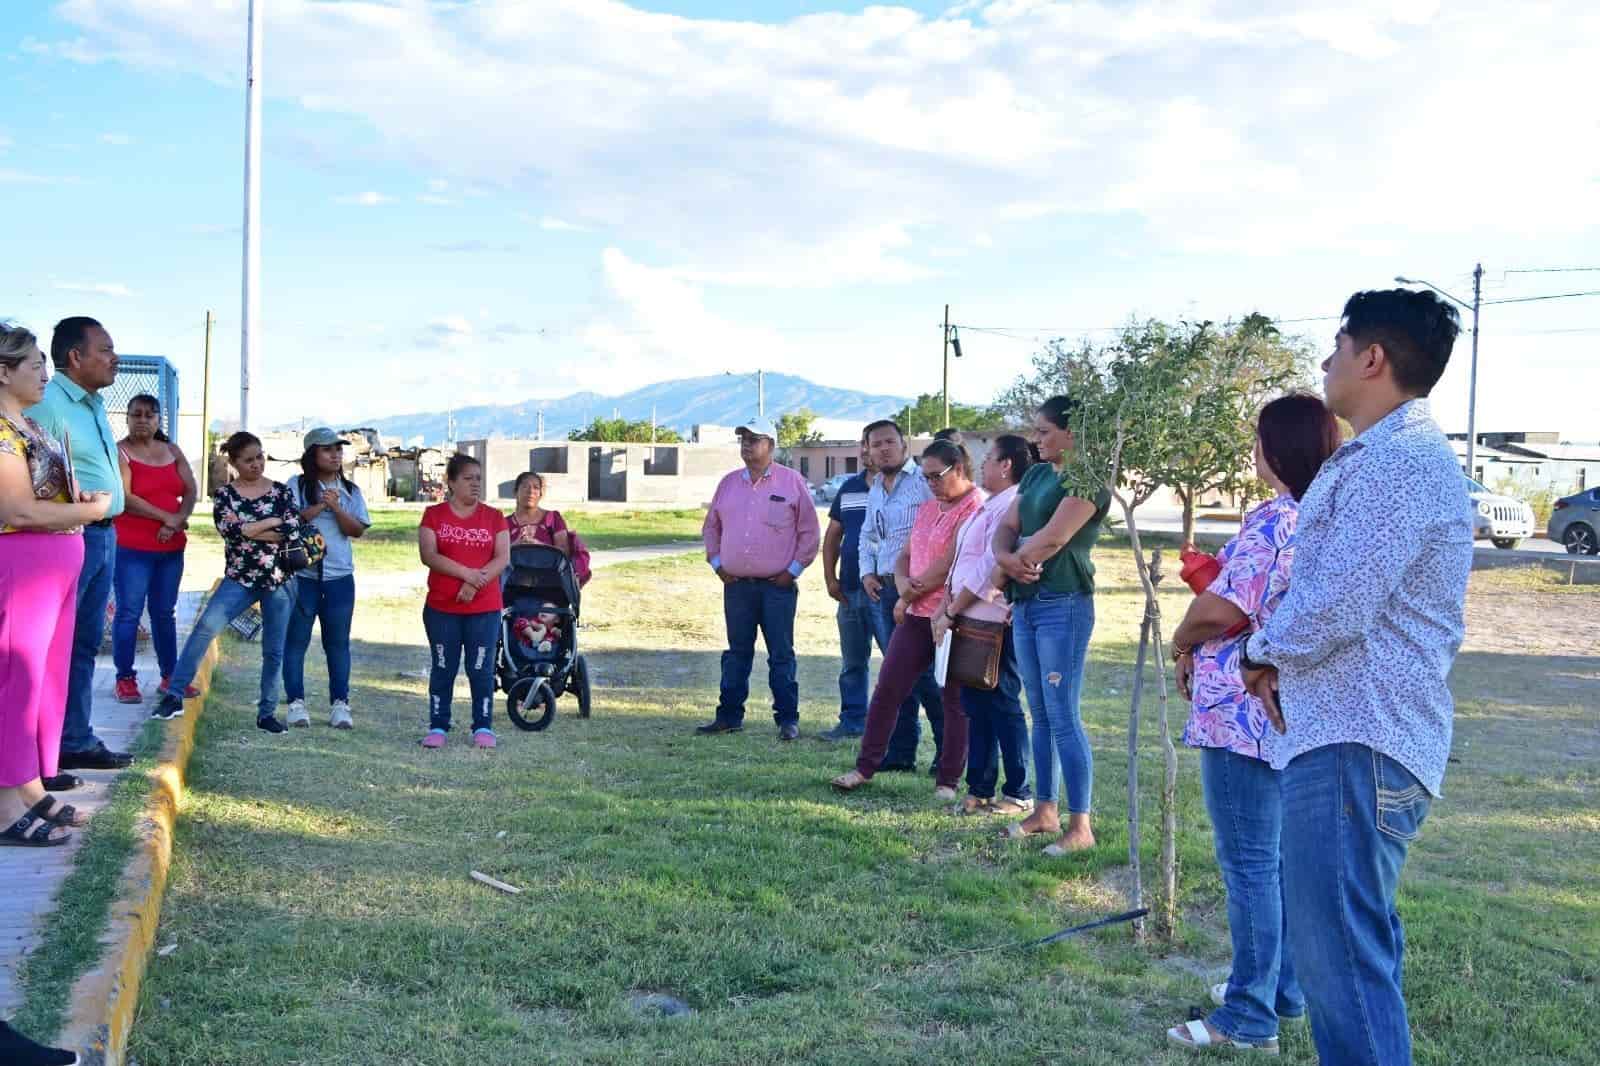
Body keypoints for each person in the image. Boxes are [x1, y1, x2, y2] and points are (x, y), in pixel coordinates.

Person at [1239, 290, 1472, 1066]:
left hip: (1356, 740)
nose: (1325, 363)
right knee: (1352, 959)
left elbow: (1336, 603)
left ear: (1372, 358)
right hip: (1353, 737)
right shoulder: (1387, 457)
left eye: (1335, 348)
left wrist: (1258, 651)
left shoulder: (1396, 464)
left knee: (1341, 968)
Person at [1162, 394, 1340, 1054]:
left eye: (1259, 439)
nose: (1254, 451)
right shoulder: (1328, 516)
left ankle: (1247, 1018)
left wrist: (1182, 640)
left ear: (1279, 449)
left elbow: (1224, 609)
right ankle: (1281, 990)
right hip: (1291, 709)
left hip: (1239, 712)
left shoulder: (1275, 518)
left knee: (1250, 866)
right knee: (1280, 860)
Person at [0, 323, 110, 848]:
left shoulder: (25, 425)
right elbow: (17, 510)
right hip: (24, 567)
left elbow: (43, 492)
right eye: (35, 364)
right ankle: (5, 807)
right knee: (16, 682)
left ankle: (28, 787)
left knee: (43, 680)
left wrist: (74, 502)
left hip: (53, 566)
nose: (46, 373)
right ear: (3, 373)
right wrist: (84, 512)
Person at [992, 395, 1111, 855]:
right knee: (1038, 712)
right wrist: (1006, 561)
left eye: (1043, 431)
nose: (1035, 439)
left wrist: (1006, 567)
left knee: (1063, 714)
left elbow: (1055, 537)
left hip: (1064, 604)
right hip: (1026, 604)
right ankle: (1045, 811)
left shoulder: (1088, 480)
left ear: (1072, 432)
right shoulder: (1038, 474)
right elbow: (1007, 526)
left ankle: (1080, 826)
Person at [831, 438, 982, 798]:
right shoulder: (930, 507)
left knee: (952, 699)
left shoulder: (976, 508)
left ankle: (948, 780)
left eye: (936, 476)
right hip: (916, 613)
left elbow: (948, 564)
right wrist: (902, 586)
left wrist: (907, 595)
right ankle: (864, 767)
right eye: (926, 477)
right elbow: (905, 554)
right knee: (888, 688)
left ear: (959, 469)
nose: (930, 484)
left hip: (954, 615)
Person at [24, 316, 131, 772]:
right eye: (105, 350)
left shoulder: (94, 404)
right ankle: (32, 755)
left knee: (84, 644)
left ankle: (73, 740)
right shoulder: (48, 404)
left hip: (103, 536)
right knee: (48, 649)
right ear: (75, 356)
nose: (114, 358)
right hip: (65, 538)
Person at [149, 433, 306, 732]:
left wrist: (249, 528)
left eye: (259, 457)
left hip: (279, 580)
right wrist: (269, 523)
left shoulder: (281, 492)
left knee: (274, 650)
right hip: (239, 578)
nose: (256, 464)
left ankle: (267, 713)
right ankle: (174, 696)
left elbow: (291, 529)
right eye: (248, 460)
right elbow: (229, 531)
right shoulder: (224, 495)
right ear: (234, 463)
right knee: (205, 628)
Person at [697, 417, 820, 740]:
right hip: (737, 587)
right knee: (736, 653)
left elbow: (809, 532)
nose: (747, 445)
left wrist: (793, 571)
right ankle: (728, 716)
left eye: (754, 439)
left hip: (777, 588)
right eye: (744, 439)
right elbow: (711, 527)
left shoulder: (792, 482)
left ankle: (787, 720)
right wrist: (717, 563)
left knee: (781, 654)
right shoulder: (728, 483)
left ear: (771, 445)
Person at [931, 434, 1035, 816]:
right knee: (976, 703)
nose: (983, 464)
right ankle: (980, 787)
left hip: (993, 619)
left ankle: (1019, 791)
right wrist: (947, 604)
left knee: (1003, 702)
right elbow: (962, 561)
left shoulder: (1013, 504)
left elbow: (990, 569)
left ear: (1006, 465)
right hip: (968, 615)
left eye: (989, 457)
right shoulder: (991, 503)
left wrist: (952, 610)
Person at [857, 419, 943, 771]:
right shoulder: (876, 486)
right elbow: (867, 534)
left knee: (925, 675)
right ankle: (902, 753)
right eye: (876, 444)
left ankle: (948, 752)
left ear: (904, 445)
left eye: (890, 442)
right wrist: (866, 572)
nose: (883, 449)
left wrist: (921, 585)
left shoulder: (923, 481)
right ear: (867, 450)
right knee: (896, 675)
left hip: (918, 589)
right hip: (884, 589)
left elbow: (942, 530)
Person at [417, 453, 510, 749]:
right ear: (451, 482)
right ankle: (438, 725)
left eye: (478, 479)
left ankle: (482, 725)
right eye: (468, 478)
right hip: (442, 607)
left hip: (484, 608)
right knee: (443, 667)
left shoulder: (494, 517)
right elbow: (429, 555)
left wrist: (474, 583)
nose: (475, 484)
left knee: (480, 669)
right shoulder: (433, 515)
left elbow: (502, 558)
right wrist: (467, 574)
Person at [112, 392, 198, 704]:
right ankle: (125, 679)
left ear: (159, 419)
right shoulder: (121, 452)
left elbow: (191, 490)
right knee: (129, 612)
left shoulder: (172, 450)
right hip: (131, 547)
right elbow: (126, 497)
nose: (143, 420)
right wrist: (168, 518)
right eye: (136, 414)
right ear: (127, 418)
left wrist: (176, 521)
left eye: (150, 415)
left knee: (164, 612)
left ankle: (170, 676)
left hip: (171, 549)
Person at [282, 428, 370, 730]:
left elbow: (356, 530)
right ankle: (295, 703)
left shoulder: (351, 490)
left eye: (338, 449)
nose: (335, 455)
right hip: (303, 576)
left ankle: (340, 704)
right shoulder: (296, 485)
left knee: (338, 643)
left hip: (339, 578)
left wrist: (335, 507)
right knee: (296, 642)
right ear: (312, 454)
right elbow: (289, 522)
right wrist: (320, 504)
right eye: (327, 449)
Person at [818, 433, 874, 741]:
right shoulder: (850, 487)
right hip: (850, 590)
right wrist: (830, 578)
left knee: (900, 664)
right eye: (864, 444)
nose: (867, 450)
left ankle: (898, 731)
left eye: (874, 444)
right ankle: (852, 721)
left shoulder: (909, 488)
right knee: (853, 662)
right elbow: (832, 536)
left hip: (889, 592)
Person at [507, 471, 590, 585]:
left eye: (536, 487)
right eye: (525, 486)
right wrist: (516, 545)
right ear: (515, 492)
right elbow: (497, 558)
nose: (530, 491)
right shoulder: (504, 523)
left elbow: (564, 554)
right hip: (512, 586)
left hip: (549, 586)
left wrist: (539, 546)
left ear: (541, 494)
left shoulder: (553, 518)